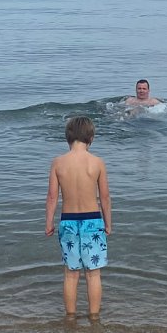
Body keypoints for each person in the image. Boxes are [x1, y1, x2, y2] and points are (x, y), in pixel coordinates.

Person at [45, 116, 111, 320]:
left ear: (68, 137)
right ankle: (94, 317)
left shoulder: (58, 163)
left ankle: (71, 317)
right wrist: (108, 223)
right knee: (93, 274)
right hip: (93, 220)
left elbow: (52, 196)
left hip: (68, 220)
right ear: (91, 138)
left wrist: (49, 222)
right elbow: (105, 197)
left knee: (71, 273)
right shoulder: (97, 162)